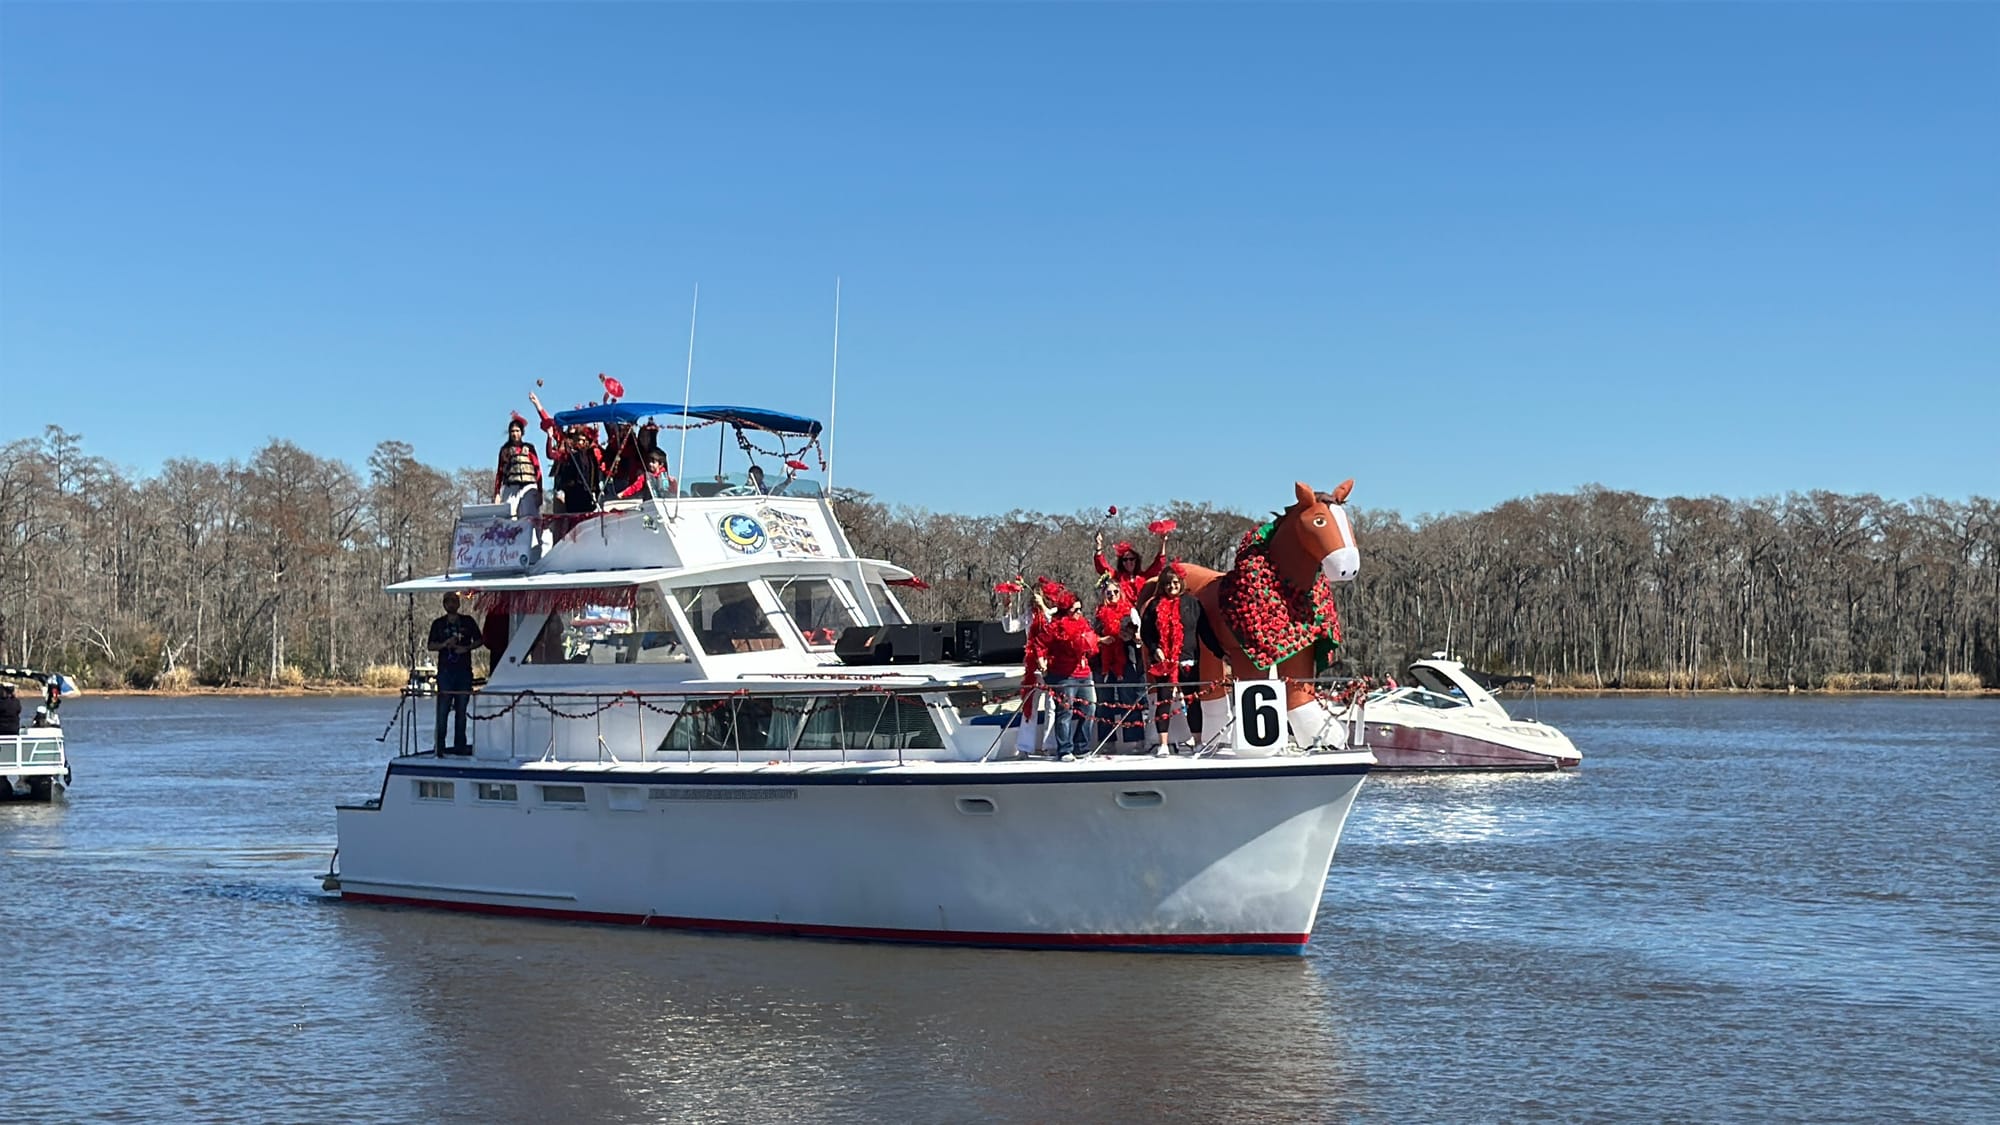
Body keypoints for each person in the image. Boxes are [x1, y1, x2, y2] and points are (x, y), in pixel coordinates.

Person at [1035, 587, 1099, 759]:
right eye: (1075, 609)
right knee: (1066, 711)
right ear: (1066, 610)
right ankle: (1065, 749)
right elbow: (1039, 644)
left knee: (1090, 707)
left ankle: (1082, 746)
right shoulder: (1055, 627)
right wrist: (1041, 660)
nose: (1079, 612)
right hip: (1063, 675)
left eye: (1080, 609)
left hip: (1084, 673)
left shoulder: (1083, 624)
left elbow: (1091, 644)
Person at [1140, 564, 1193, 756]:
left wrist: (1220, 653)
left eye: (1175, 583)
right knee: (1164, 700)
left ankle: (1198, 740)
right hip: (1163, 660)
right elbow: (1145, 632)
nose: (1172, 587)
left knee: (1192, 699)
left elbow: (1200, 629)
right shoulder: (1154, 605)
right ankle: (1163, 744)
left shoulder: (1190, 602)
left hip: (1186, 658)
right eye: (1168, 583)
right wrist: (1155, 649)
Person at [1092, 581, 1145, 752]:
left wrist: (1134, 637)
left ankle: (1136, 741)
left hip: (1126, 660)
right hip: (1104, 662)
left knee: (1129, 698)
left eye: (1115, 592)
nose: (1112, 595)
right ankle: (1107, 742)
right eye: (1108, 592)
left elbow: (1139, 635)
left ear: (1120, 593)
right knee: (1104, 701)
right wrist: (1101, 640)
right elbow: (1093, 635)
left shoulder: (1130, 611)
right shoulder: (1099, 613)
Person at [426, 592, 482, 754]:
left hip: (464, 671)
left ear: (458, 603)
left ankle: (460, 746)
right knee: (442, 711)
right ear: (444, 604)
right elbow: (430, 646)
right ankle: (440, 746)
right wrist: (445, 644)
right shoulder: (438, 624)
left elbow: (480, 640)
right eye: (448, 601)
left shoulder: (468, 621)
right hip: (445, 672)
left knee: (461, 711)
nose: (451, 604)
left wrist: (466, 648)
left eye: (454, 601)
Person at [1095, 529, 1171, 604]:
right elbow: (1102, 567)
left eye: (1131, 559)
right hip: (1124, 613)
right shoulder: (1117, 577)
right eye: (1125, 560)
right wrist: (1099, 547)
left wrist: (1163, 542)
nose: (1128, 562)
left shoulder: (1144, 577)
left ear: (1136, 560)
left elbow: (1159, 563)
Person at [492, 414, 543, 518]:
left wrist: (540, 491)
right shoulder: (505, 450)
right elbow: (500, 472)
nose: (515, 434)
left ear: (522, 432)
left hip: (528, 487)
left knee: (529, 517)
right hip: (511, 487)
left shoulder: (529, 448)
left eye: (517, 431)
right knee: (509, 517)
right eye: (512, 431)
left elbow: (537, 470)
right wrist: (497, 493)